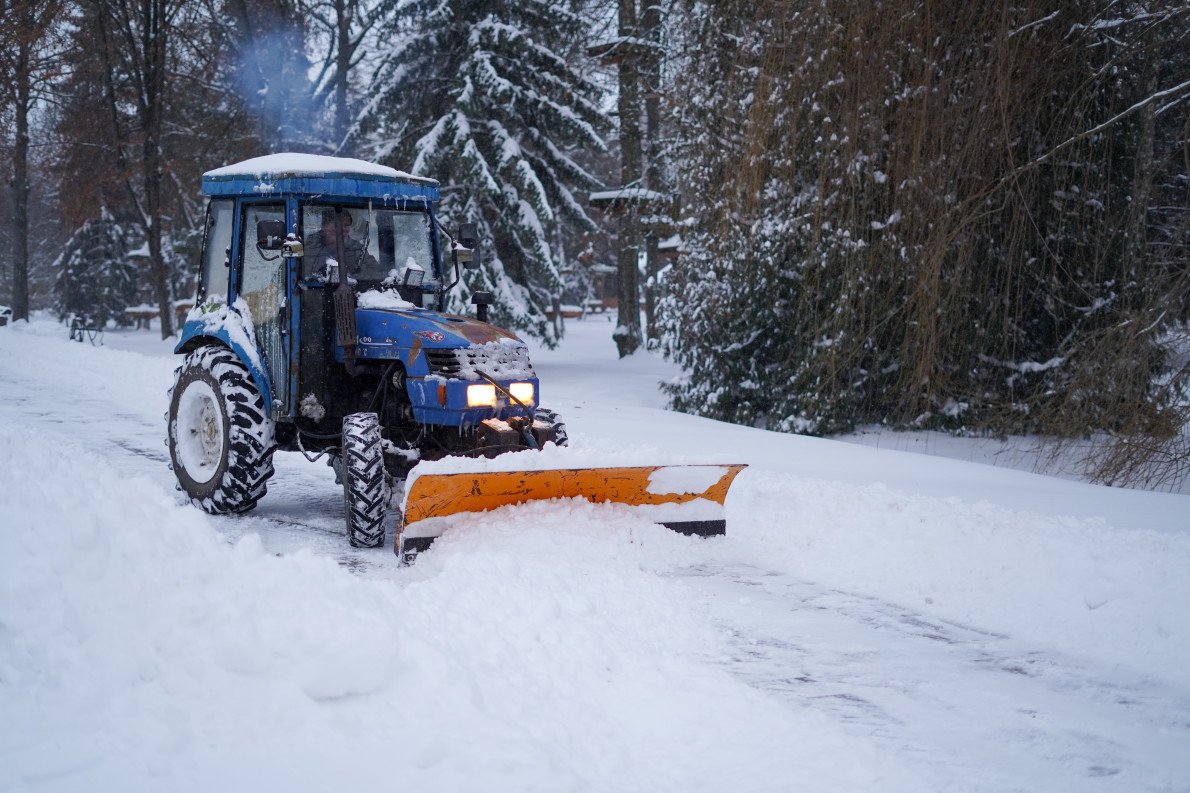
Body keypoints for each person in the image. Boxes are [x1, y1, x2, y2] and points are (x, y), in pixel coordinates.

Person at [303, 208, 379, 280]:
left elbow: (376, 274)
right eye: (337, 225)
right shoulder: (309, 249)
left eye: (346, 225)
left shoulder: (357, 250)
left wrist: (355, 276)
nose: (344, 229)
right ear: (324, 227)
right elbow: (305, 277)